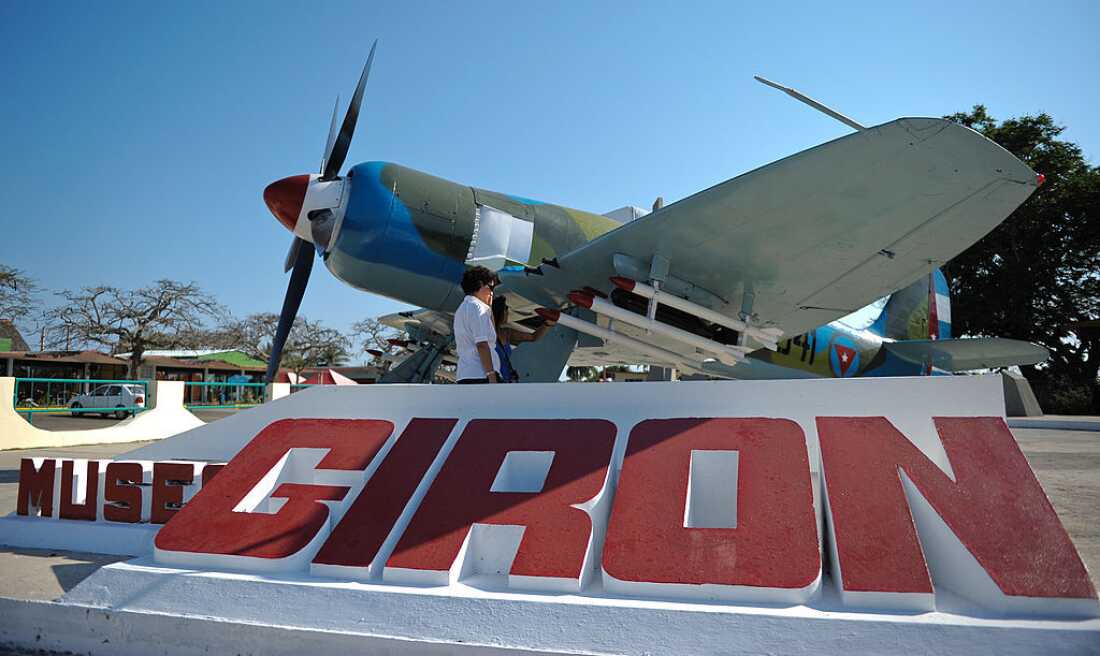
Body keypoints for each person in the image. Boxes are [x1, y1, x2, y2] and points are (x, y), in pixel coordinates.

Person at [492, 295, 557, 383]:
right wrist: (548, 323)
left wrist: (548, 323)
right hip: (497, 381)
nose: (508, 313)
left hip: (500, 381)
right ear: (500, 313)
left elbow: (533, 337)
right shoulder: (505, 333)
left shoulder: (504, 333)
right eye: (506, 309)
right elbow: (533, 337)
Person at [453, 266, 501, 384]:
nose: (492, 292)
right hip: (481, 375)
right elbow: (482, 345)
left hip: (466, 374)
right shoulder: (478, 308)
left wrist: (489, 309)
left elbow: (492, 337)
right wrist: (491, 375)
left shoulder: (462, 308)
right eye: (490, 287)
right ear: (480, 285)